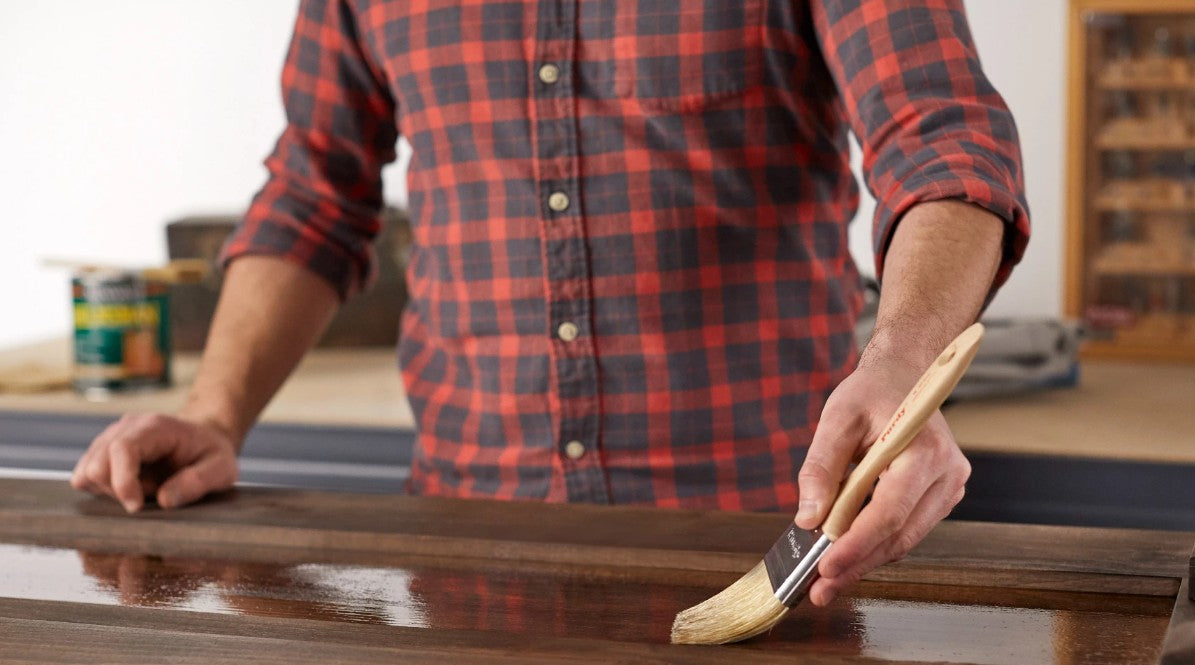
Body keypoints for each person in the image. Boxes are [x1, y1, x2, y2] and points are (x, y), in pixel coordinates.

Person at [72, 0, 1029, 608]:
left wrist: (904, 360)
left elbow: (939, 136)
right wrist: (212, 411)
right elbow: (316, 192)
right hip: (462, 567)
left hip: (767, 559)